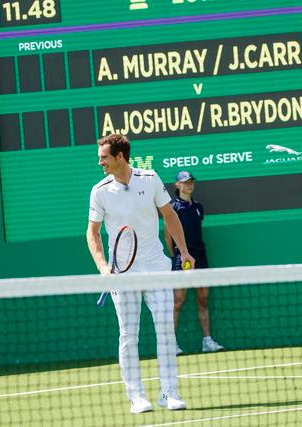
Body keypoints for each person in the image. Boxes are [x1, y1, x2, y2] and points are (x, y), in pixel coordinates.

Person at [86, 134, 195, 414]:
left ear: (120, 156)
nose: (100, 163)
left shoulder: (150, 179)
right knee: (128, 336)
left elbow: (169, 215)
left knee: (166, 330)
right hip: (122, 274)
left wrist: (183, 251)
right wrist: (103, 267)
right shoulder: (99, 191)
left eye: (104, 158)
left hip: (156, 267)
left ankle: (169, 392)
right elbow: (93, 233)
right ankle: (137, 397)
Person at [164, 171, 224, 354]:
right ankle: (172, 344)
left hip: (201, 258)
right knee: (178, 301)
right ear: (178, 185)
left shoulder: (198, 207)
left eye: (191, 182)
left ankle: (207, 341)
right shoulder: (173, 208)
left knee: (203, 299)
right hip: (182, 260)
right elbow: (168, 236)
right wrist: (177, 255)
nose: (189, 185)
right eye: (185, 182)